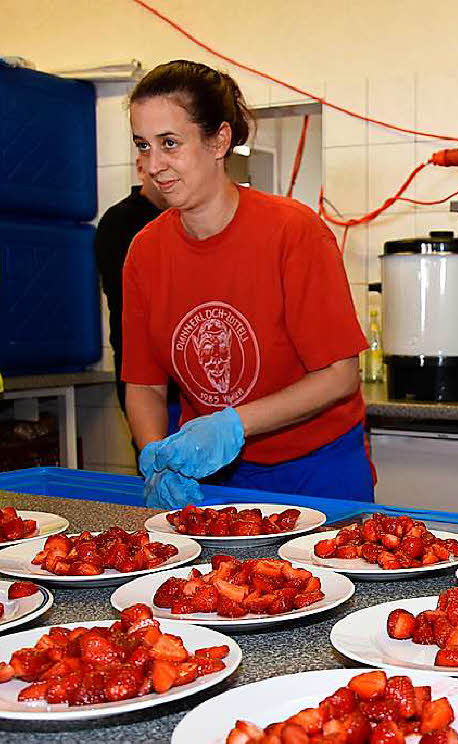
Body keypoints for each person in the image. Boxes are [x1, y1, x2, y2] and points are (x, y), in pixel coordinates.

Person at [122, 60, 373, 509]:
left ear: (218, 140)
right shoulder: (145, 252)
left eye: (170, 144)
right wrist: (155, 453)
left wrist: (232, 424)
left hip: (315, 469)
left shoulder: (293, 232)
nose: (154, 164)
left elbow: (339, 376)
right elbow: (144, 386)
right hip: (213, 476)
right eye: (144, 145)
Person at [94, 154, 170, 416]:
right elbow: (132, 303)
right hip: (147, 381)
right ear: (140, 168)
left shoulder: (185, 218)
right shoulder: (119, 224)